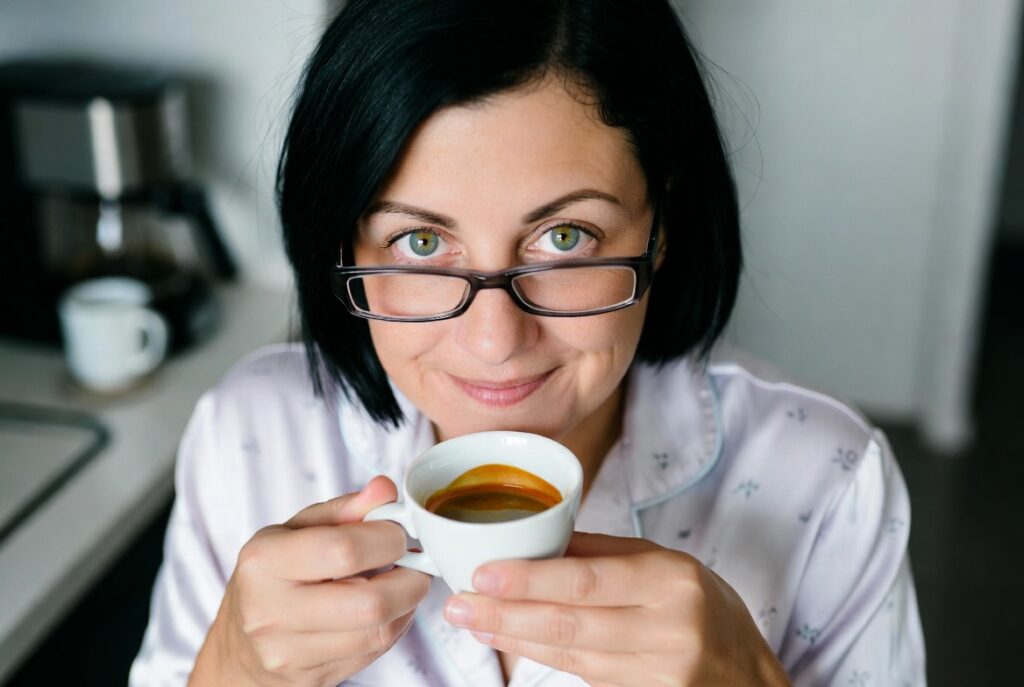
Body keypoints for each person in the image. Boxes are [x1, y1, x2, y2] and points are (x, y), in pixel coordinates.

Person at [129, 1, 926, 685]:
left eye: (566, 236)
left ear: (661, 229)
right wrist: (229, 667)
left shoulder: (826, 481)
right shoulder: (249, 438)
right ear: (343, 247)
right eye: (418, 243)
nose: (495, 341)